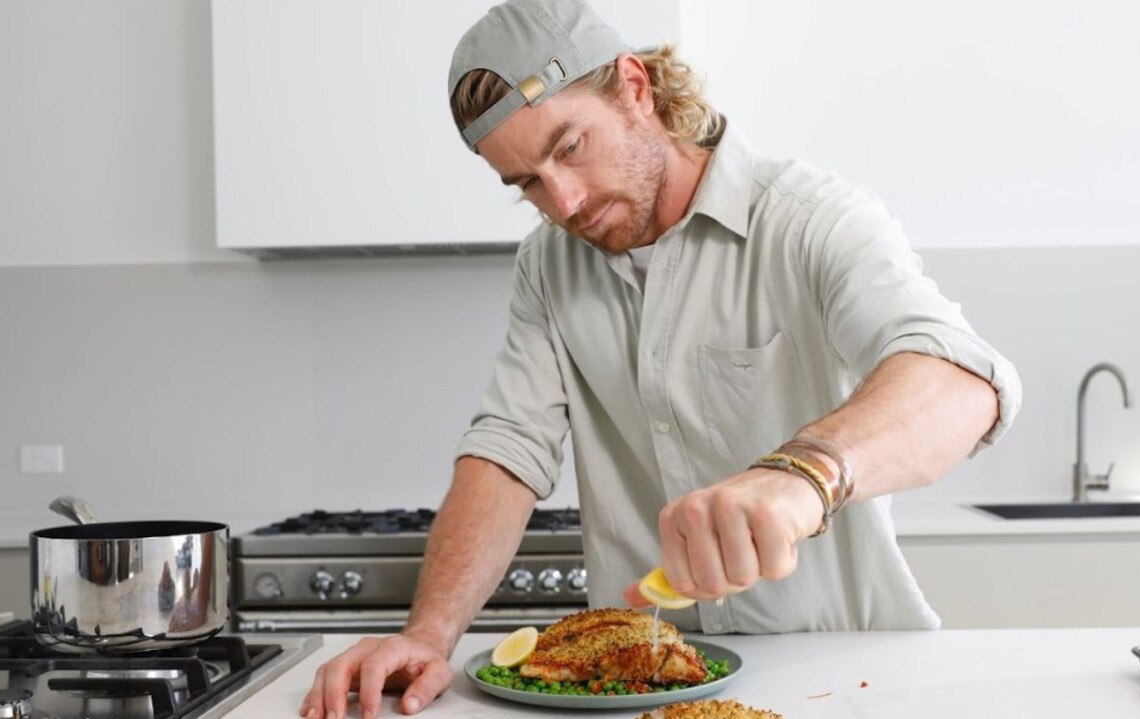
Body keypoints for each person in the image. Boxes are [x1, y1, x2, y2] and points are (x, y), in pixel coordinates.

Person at [300, 1, 1021, 717]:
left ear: (635, 87)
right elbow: (506, 448)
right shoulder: (549, 266)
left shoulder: (809, 219)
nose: (564, 202)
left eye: (570, 146)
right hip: (638, 682)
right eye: (525, 183)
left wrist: (801, 474)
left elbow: (959, 381)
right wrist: (429, 633)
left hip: (839, 674)